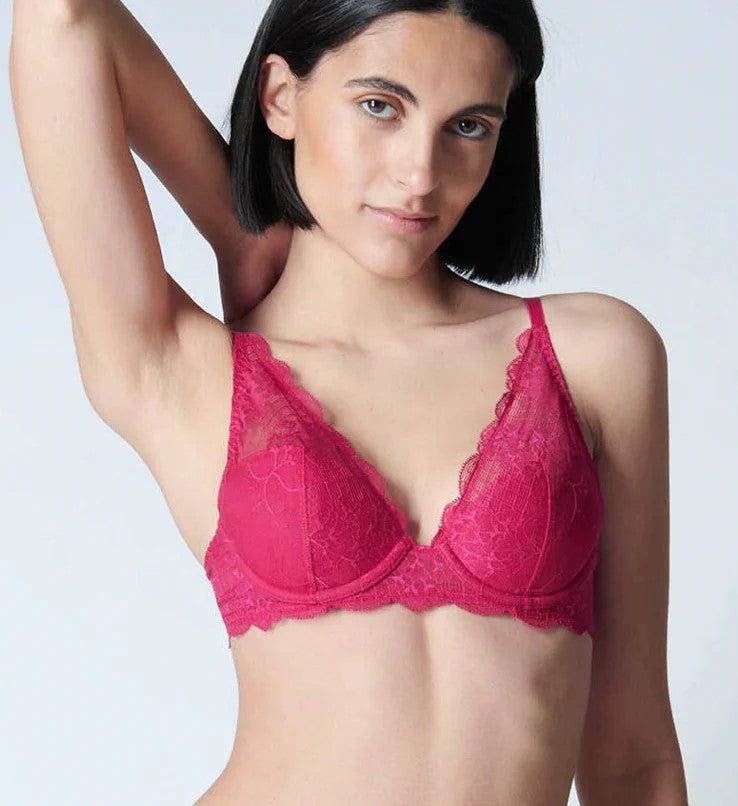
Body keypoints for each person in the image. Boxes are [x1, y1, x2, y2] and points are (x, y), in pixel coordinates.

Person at [9, 0, 688, 803]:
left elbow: (634, 757)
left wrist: (245, 234)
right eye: (379, 106)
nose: (420, 174)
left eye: (468, 125)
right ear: (280, 97)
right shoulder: (190, 375)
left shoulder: (596, 358)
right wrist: (236, 225)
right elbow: (62, 18)